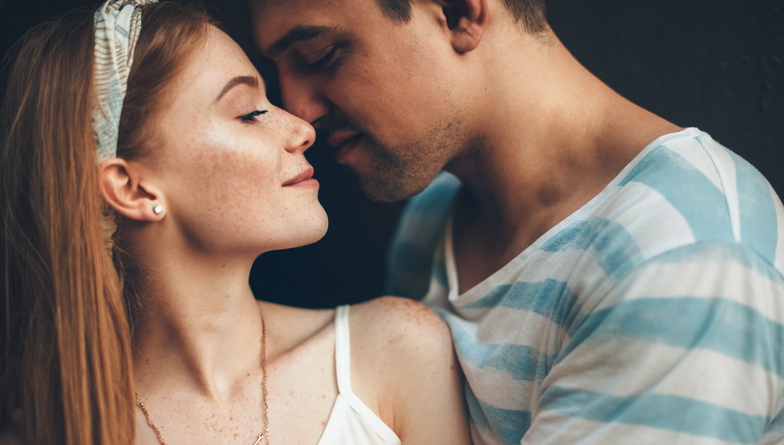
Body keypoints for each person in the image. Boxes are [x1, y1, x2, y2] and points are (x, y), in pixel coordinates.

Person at [249, 0, 784, 443]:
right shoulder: (431, 220)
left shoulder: (683, 254)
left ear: (460, 13)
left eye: (322, 54)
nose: (297, 109)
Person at [0, 1, 471, 444]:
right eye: (250, 113)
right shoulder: (55, 430)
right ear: (132, 189)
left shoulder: (396, 349)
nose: (302, 128)